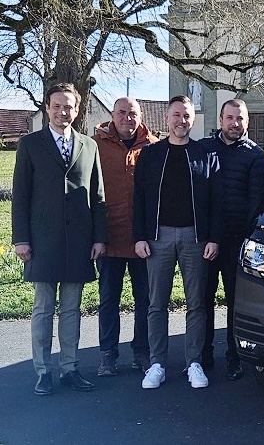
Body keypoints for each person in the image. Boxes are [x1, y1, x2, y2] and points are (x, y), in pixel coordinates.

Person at [12, 83, 107, 395]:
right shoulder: (30, 144)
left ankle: (70, 367)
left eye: (68, 106)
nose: (62, 111)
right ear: (47, 107)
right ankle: (43, 371)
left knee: (71, 308)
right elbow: (21, 196)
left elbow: (98, 196)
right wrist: (21, 238)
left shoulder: (89, 146)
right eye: (57, 106)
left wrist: (98, 237)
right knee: (42, 309)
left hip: (79, 242)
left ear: (76, 110)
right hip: (42, 241)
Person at [133, 95, 222, 390]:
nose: (181, 121)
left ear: (192, 119)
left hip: (195, 239)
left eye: (186, 116)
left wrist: (213, 238)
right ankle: (157, 363)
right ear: (166, 119)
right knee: (156, 304)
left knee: (196, 304)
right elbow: (139, 200)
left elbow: (215, 202)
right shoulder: (151, 154)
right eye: (176, 115)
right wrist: (139, 237)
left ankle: (193, 362)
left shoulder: (205, 154)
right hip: (158, 238)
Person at [200, 99, 264, 380]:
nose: (234, 123)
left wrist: (247, 237)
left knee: (235, 303)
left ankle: (234, 356)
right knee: (202, 300)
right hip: (205, 240)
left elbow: (257, 201)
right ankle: (202, 356)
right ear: (220, 119)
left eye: (239, 119)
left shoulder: (255, 156)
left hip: (237, 241)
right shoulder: (204, 149)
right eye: (229, 118)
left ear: (247, 122)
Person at [93, 98, 158, 376]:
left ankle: (141, 351)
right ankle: (108, 353)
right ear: (112, 115)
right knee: (109, 299)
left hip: (143, 238)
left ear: (140, 116)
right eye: (122, 112)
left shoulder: (153, 146)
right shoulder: (96, 145)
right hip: (109, 236)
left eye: (133, 113)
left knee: (145, 298)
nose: (127, 118)